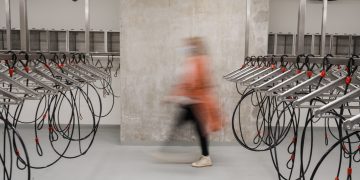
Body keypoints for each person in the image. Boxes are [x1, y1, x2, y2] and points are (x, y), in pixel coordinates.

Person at [164, 37, 223, 168]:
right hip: (192, 102)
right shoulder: (196, 60)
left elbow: (195, 82)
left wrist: (175, 96)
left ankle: (206, 157)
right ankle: (204, 156)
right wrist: (174, 96)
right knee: (194, 128)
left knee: (195, 128)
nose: (186, 48)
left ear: (195, 47)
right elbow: (185, 82)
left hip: (196, 103)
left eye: (189, 45)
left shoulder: (199, 60)